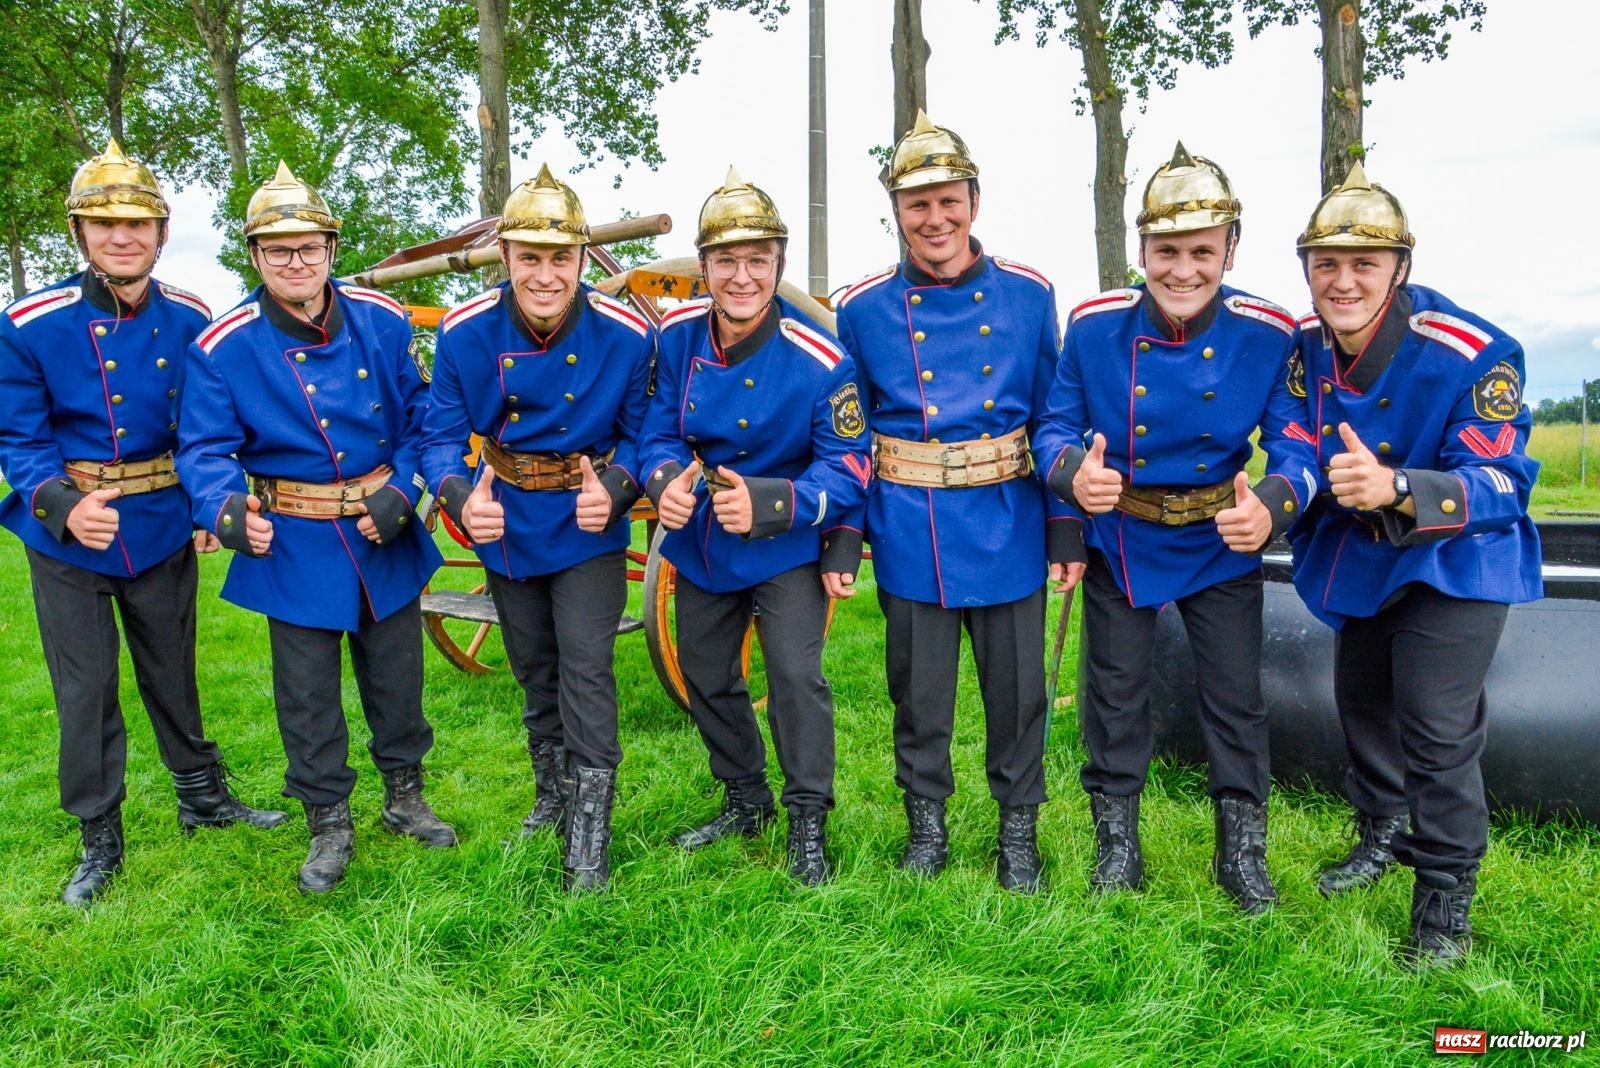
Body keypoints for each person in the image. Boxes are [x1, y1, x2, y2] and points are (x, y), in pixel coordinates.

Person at [1031, 143, 1318, 912]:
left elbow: (1298, 440)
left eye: (1201, 251)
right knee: (1114, 695)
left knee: (1234, 697)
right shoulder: (1093, 327)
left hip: (1222, 537)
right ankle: (1117, 847)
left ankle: (1241, 855)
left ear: (1231, 248)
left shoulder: (1270, 330)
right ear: (1141, 251)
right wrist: (1073, 477)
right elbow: (1054, 426)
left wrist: (1273, 501)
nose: (1183, 270)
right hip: (1122, 539)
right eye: (1165, 252)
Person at [0, 139, 286, 907]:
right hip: (70, 535)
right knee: (85, 688)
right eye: (104, 225)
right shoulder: (29, 323)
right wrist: (63, 504)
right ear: (79, 235)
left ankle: (203, 800)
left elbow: (205, 425)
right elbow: (20, 439)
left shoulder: (191, 315)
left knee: (173, 670)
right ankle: (100, 836)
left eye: (138, 225)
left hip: (162, 522)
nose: (122, 238)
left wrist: (206, 506)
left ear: (161, 234)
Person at [176, 162, 455, 894]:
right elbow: (202, 450)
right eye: (278, 250)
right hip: (293, 537)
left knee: (397, 676)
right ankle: (328, 820)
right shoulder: (222, 344)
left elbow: (424, 418)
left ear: (332, 247)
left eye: (309, 247)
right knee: (306, 695)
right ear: (256, 257)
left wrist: (409, 488)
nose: (296, 262)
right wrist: (226, 511)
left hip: (381, 524)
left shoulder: (383, 319)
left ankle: (405, 797)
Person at [1287, 163, 1541, 964]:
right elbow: (1293, 432)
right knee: (1361, 704)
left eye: (1364, 263)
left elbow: (1504, 482)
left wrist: (1397, 485)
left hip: (1456, 560)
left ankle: (1443, 905)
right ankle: (1381, 837)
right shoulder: (1304, 348)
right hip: (1364, 558)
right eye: (1326, 263)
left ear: (1401, 268)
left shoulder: (1475, 351)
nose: (1343, 280)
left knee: (1435, 729)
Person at [833, 111, 1067, 893]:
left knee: (1018, 692)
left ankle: (1017, 833)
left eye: (948, 200)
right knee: (919, 693)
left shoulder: (1032, 296)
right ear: (895, 214)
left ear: (974, 199)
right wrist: (843, 542)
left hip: (1009, 517)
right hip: (911, 526)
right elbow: (848, 436)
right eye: (916, 204)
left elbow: (1055, 421)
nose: (934, 219)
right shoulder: (861, 310)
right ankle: (925, 826)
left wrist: (1067, 535)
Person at [421, 164, 651, 891]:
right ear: (505, 259)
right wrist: (461, 498)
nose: (545, 275)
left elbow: (650, 435)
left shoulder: (625, 334)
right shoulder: (463, 333)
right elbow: (437, 437)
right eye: (530, 258)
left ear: (583, 260)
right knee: (534, 668)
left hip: (588, 522)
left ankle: (590, 832)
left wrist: (615, 489)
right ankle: (551, 793)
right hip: (507, 520)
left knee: (586, 668)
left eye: (560, 259)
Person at [638, 168, 869, 885]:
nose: (742, 277)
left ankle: (807, 821)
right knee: (706, 674)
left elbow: (849, 466)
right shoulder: (674, 338)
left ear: (779, 264)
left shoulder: (824, 360)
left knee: (796, 676)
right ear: (703, 267)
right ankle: (745, 797)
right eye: (727, 261)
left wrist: (775, 504)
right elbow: (653, 432)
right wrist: (662, 481)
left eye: (758, 260)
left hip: (787, 545)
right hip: (702, 538)